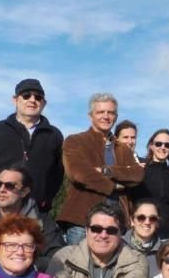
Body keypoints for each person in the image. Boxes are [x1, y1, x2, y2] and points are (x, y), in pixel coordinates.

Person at [57, 93, 144, 245]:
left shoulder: (123, 148)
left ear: (116, 117)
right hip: (82, 221)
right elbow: (80, 174)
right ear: (90, 116)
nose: (106, 116)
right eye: (100, 112)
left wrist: (105, 171)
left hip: (116, 223)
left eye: (110, 112)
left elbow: (137, 174)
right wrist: (115, 186)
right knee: (79, 267)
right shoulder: (75, 141)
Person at [0, 78, 64, 213]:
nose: (32, 100)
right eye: (26, 95)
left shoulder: (54, 135)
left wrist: (47, 198)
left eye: (38, 97)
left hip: (36, 210)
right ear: (15, 100)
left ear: (44, 103)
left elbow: (57, 174)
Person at [135, 128, 169, 240]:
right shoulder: (140, 170)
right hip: (144, 231)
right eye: (158, 144)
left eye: (167, 145)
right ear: (151, 146)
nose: (163, 147)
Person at [123, 199, 162, 277]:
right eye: (141, 217)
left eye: (153, 218)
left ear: (157, 223)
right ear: (132, 221)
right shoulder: (118, 245)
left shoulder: (165, 251)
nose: (147, 222)